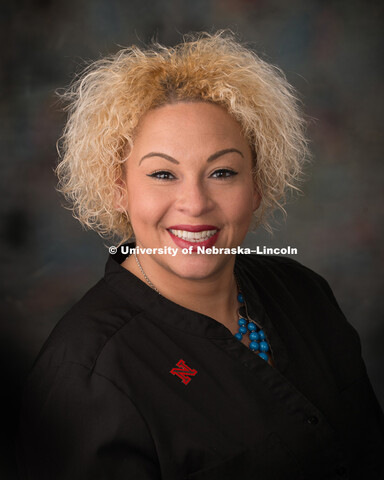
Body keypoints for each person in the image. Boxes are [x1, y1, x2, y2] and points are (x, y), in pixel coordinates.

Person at [17, 31, 383, 479]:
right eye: (163, 174)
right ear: (117, 189)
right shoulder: (86, 373)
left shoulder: (304, 292)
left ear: (257, 185)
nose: (195, 203)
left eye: (222, 172)